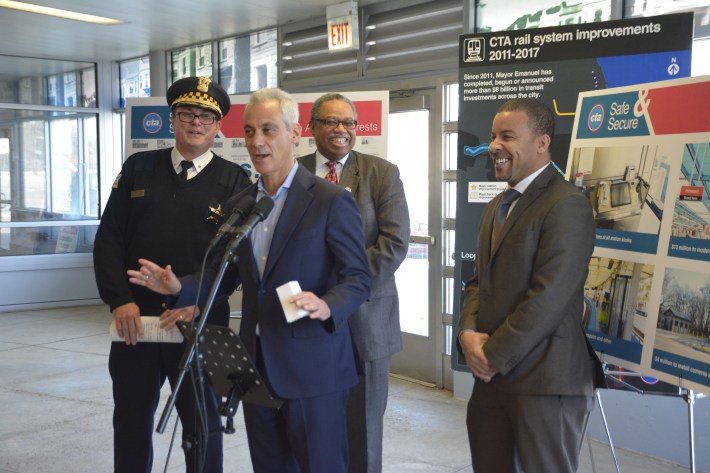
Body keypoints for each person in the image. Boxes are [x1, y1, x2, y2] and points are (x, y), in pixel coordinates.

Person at [129, 88, 371, 473]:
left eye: (269, 130)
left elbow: (358, 278)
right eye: (250, 131)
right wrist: (179, 287)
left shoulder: (328, 200)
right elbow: (226, 275)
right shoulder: (243, 201)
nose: (257, 142)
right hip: (255, 368)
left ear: (294, 134)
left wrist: (327, 304)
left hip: (313, 369)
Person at [93, 76, 251, 473]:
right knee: (130, 420)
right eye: (186, 114)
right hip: (136, 324)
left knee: (203, 425)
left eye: (206, 117)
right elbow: (109, 238)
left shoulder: (235, 181)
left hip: (199, 324)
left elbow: (233, 262)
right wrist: (120, 300)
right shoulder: (138, 168)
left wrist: (197, 300)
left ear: (218, 127)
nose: (195, 123)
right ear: (172, 119)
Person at [457, 98, 605, 473]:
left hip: (544, 382)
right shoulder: (498, 205)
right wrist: (468, 332)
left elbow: (550, 296)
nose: (493, 146)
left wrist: (491, 355)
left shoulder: (566, 204)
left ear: (541, 143)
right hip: (492, 382)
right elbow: (479, 280)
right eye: (493, 136)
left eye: (507, 136)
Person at [298, 93, 410, 473]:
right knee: (308, 426)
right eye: (331, 122)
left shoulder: (382, 172)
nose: (341, 130)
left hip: (366, 322)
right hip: (303, 321)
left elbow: (393, 244)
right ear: (311, 126)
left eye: (349, 123)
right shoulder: (291, 171)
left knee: (363, 429)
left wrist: (342, 292)